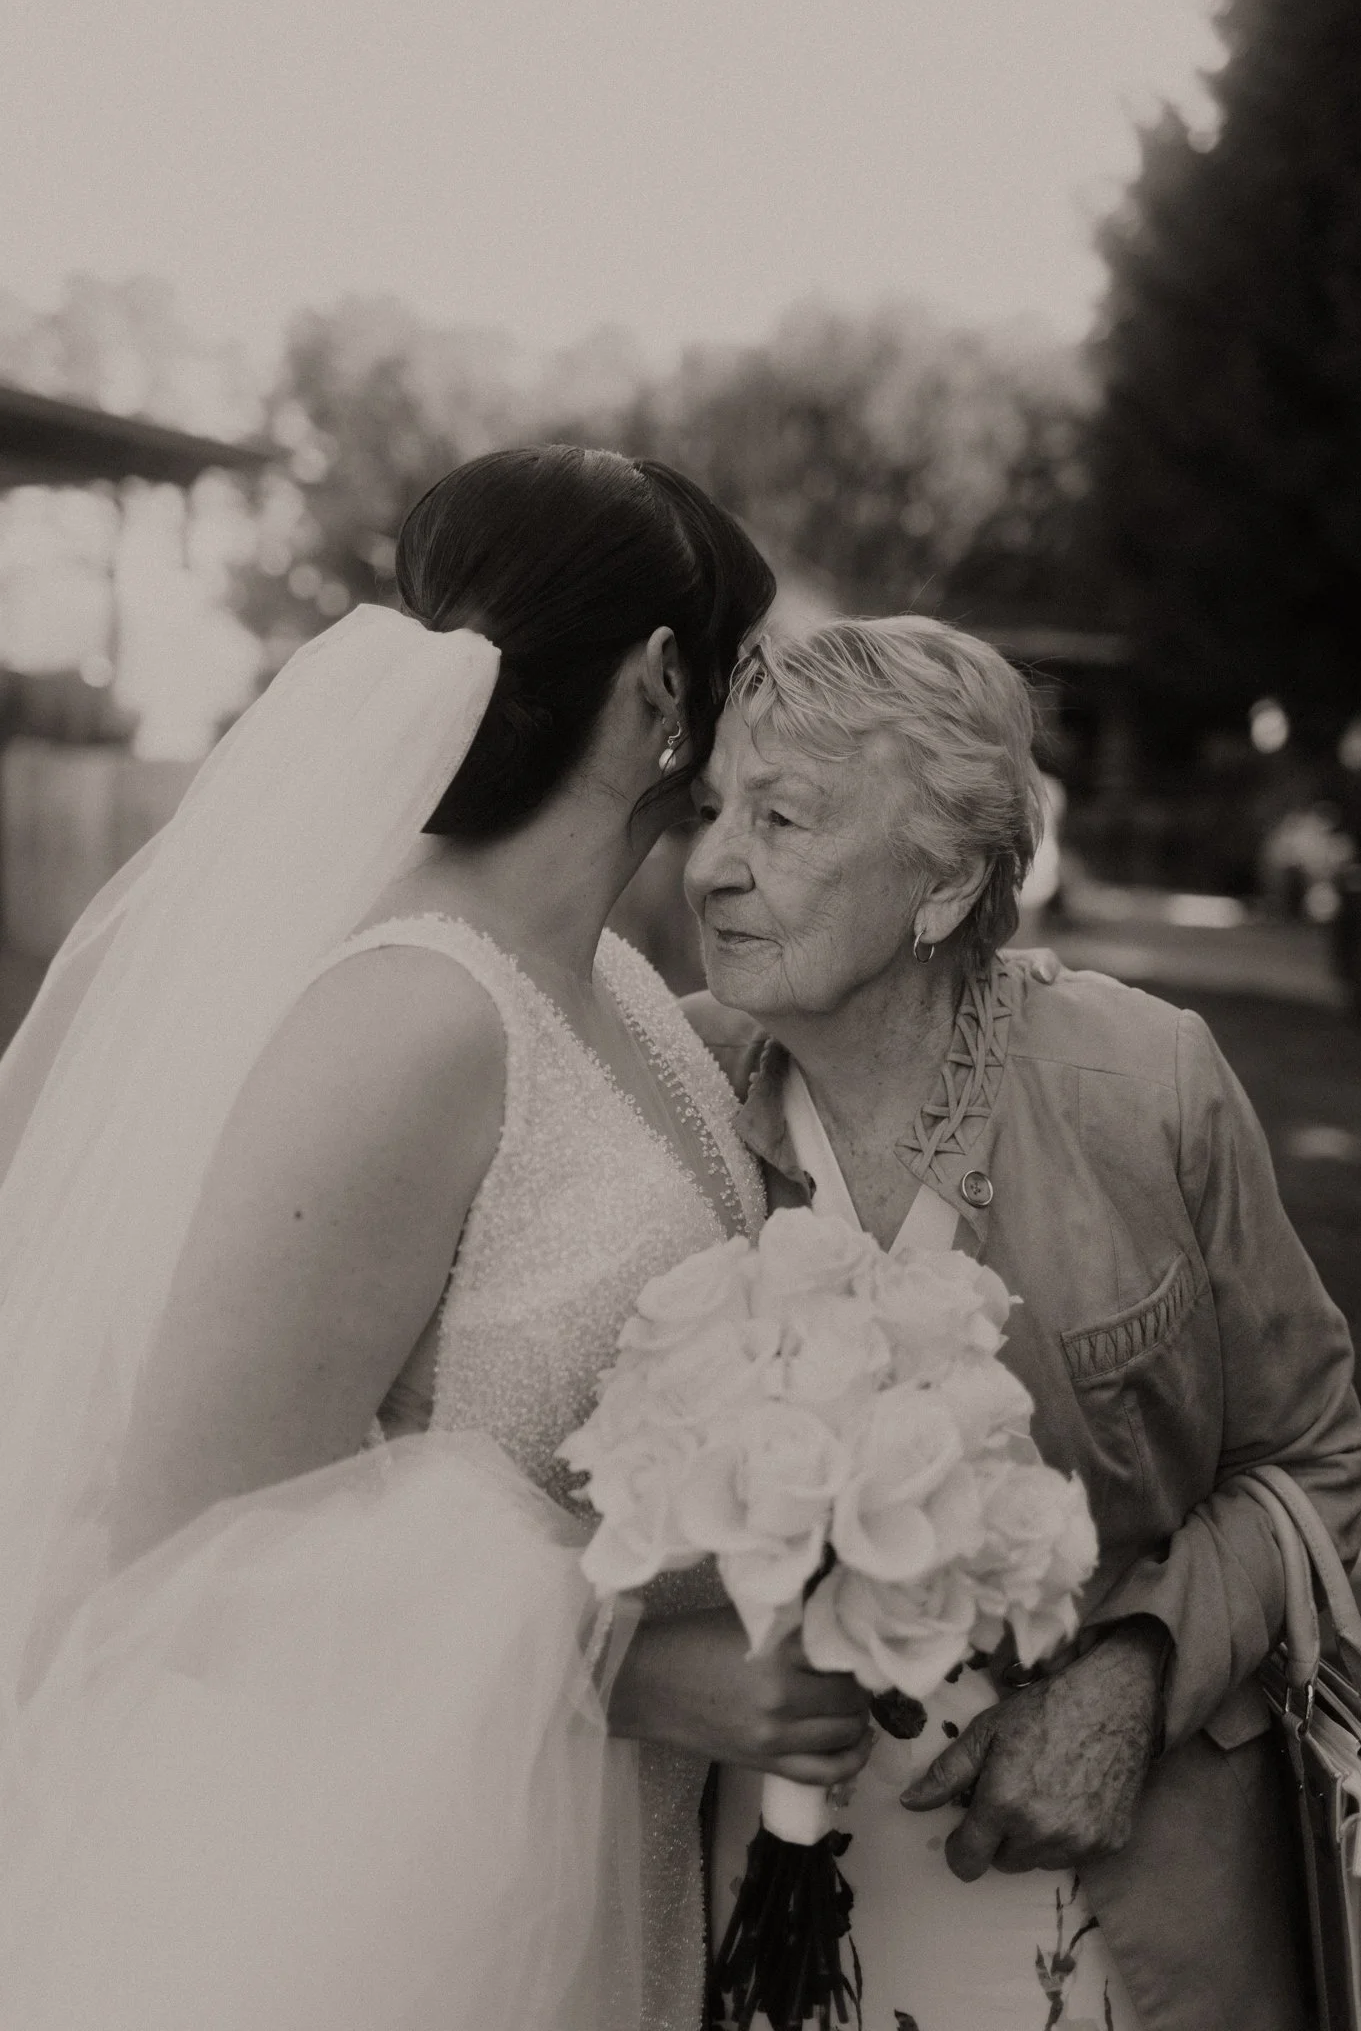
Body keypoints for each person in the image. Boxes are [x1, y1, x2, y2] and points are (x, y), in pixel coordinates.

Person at [0, 446, 874, 2031]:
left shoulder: (618, 994)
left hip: (617, 1854)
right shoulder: (410, 1017)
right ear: (667, 687)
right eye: (752, 682)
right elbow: (189, 1539)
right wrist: (645, 1677)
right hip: (392, 1897)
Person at [684, 613, 1361, 2031]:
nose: (709, 865)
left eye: (780, 818)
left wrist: (1137, 1675)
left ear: (941, 888)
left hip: (1116, 1894)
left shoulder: (1144, 1080)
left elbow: (1315, 1455)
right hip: (743, 1894)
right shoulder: (669, 1092)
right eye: (712, 812)